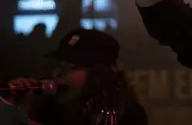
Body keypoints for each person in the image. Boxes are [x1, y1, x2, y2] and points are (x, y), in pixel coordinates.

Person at [7, 28, 148, 125]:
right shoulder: (48, 109)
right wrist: (19, 111)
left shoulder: (128, 116)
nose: (58, 74)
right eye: (58, 65)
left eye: (70, 67)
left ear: (99, 73)